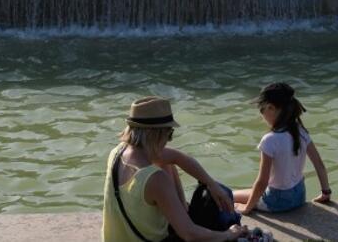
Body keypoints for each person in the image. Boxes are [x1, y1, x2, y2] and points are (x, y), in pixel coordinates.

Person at [102, 97, 247, 242]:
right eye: (169, 134)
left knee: (167, 162)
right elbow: (190, 235)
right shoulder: (154, 178)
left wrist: (211, 183)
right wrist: (228, 234)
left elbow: (178, 157)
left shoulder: (118, 152)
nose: (168, 140)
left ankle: (183, 212)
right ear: (156, 134)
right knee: (213, 213)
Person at [234, 83, 332, 214]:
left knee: (229, 196)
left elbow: (262, 182)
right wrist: (326, 192)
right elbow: (319, 164)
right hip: (299, 197)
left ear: (271, 108)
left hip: (276, 202)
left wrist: (247, 208)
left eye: (261, 110)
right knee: (245, 193)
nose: (261, 115)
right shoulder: (300, 130)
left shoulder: (270, 140)